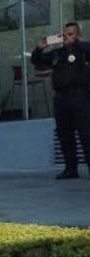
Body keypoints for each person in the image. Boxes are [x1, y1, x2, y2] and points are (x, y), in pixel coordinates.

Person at [31, 22, 90, 179]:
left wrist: (75, 43)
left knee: (86, 134)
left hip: (80, 97)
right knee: (65, 135)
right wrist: (39, 48)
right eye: (64, 34)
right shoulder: (57, 53)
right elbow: (37, 60)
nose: (66, 37)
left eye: (71, 34)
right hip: (61, 98)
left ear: (78, 35)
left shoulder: (83, 50)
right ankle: (71, 169)